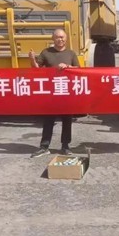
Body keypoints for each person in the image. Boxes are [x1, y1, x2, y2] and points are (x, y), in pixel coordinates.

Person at [29, 29, 79, 158]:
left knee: (67, 120)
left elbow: (79, 69)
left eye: (62, 37)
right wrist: (32, 59)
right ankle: (44, 146)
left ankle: (65, 146)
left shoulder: (71, 53)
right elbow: (36, 69)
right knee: (48, 120)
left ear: (66, 38)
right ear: (53, 39)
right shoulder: (46, 52)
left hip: (66, 92)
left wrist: (68, 66)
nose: (60, 39)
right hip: (51, 92)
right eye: (57, 37)